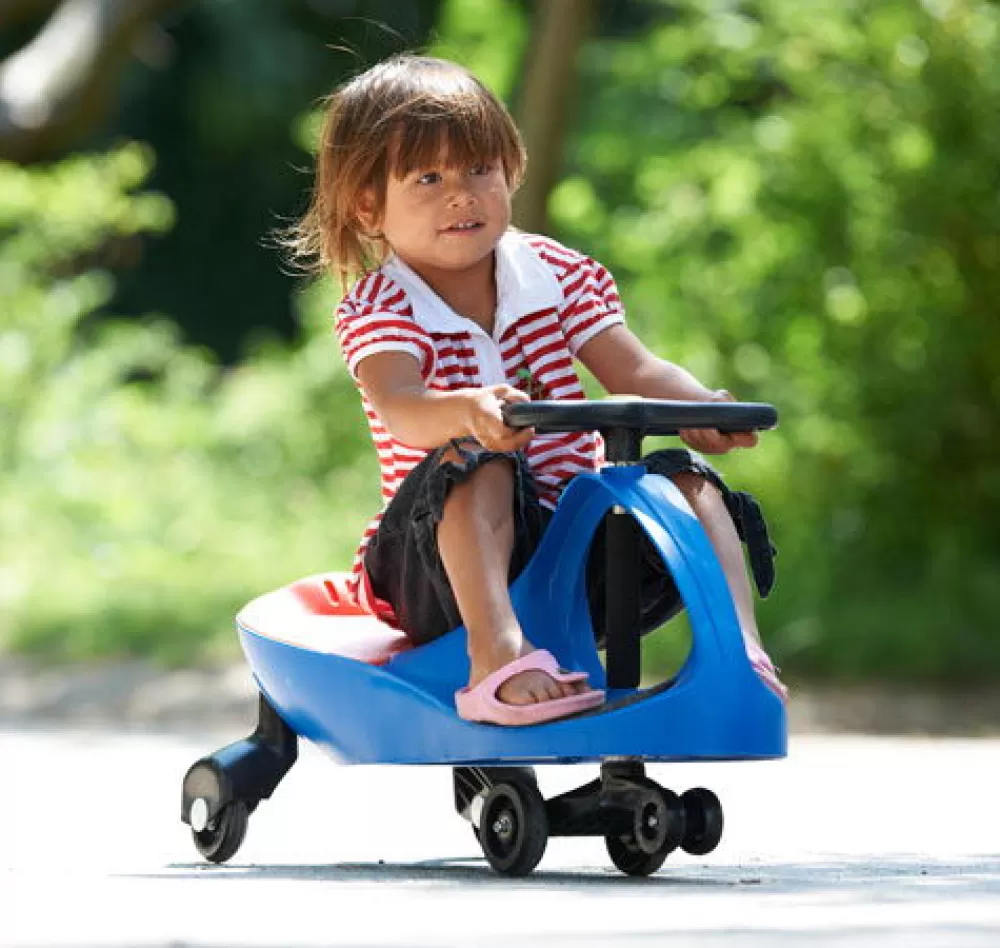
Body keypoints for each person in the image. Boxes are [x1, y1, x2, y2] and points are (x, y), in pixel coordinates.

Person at [286, 53, 785, 726]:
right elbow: (400, 406)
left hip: (567, 556)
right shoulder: (383, 306)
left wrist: (700, 405)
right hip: (435, 572)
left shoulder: (556, 274)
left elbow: (633, 371)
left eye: (479, 169)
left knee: (687, 480)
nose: (461, 194)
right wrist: (466, 409)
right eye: (429, 177)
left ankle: (741, 655)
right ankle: (495, 657)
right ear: (369, 208)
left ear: (510, 171)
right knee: (478, 458)